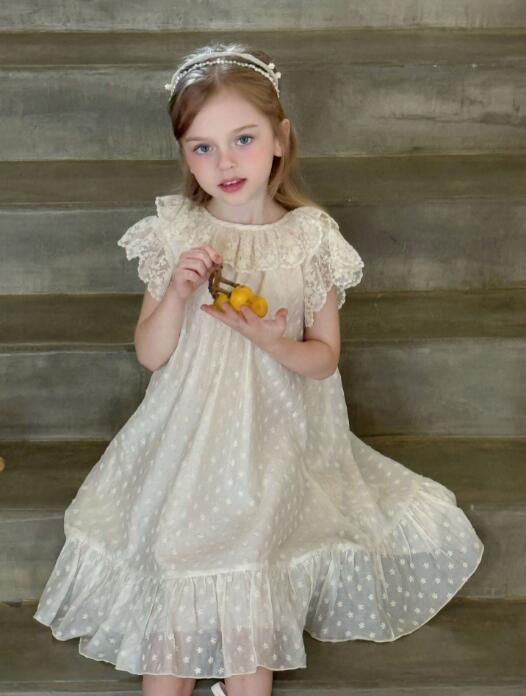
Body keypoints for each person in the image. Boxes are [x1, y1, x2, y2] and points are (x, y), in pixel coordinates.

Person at [32, 42, 484, 696]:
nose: (225, 162)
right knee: (178, 557)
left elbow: (322, 359)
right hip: (189, 438)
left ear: (280, 139)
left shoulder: (308, 238)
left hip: (276, 436)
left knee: (253, 556)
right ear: (185, 154)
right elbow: (151, 353)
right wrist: (177, 292)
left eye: (243, 139)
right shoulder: (178, 232)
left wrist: (276, 342)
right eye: (203, 147)